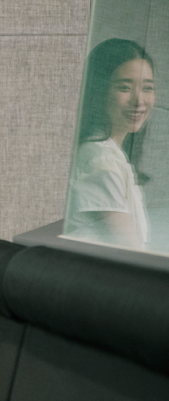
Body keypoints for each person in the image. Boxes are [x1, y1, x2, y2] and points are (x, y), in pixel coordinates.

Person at [64, 38, 155, 249]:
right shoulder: (100, 160)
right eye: (124, 87)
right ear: (99, 91)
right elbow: (131, 253)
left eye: (147, 88)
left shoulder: (111, 155)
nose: (139, 100)